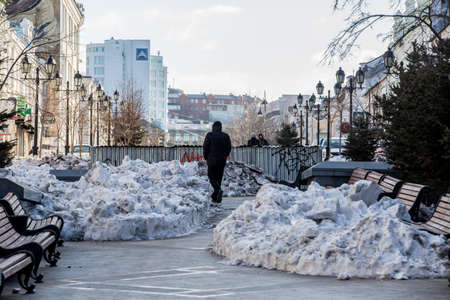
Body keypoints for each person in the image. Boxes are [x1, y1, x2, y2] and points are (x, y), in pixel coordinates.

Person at [203, 121, 232, 205]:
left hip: (211, 160)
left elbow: (205, 147)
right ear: (220, 127)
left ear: (213, 127)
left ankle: (217, 191)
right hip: (222, 160)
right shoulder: (225, 136)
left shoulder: (210, 135)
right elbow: (229, 147)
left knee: (211, 176)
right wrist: (225, 155)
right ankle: (216, 197)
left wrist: (206, 156)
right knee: (219, 178)